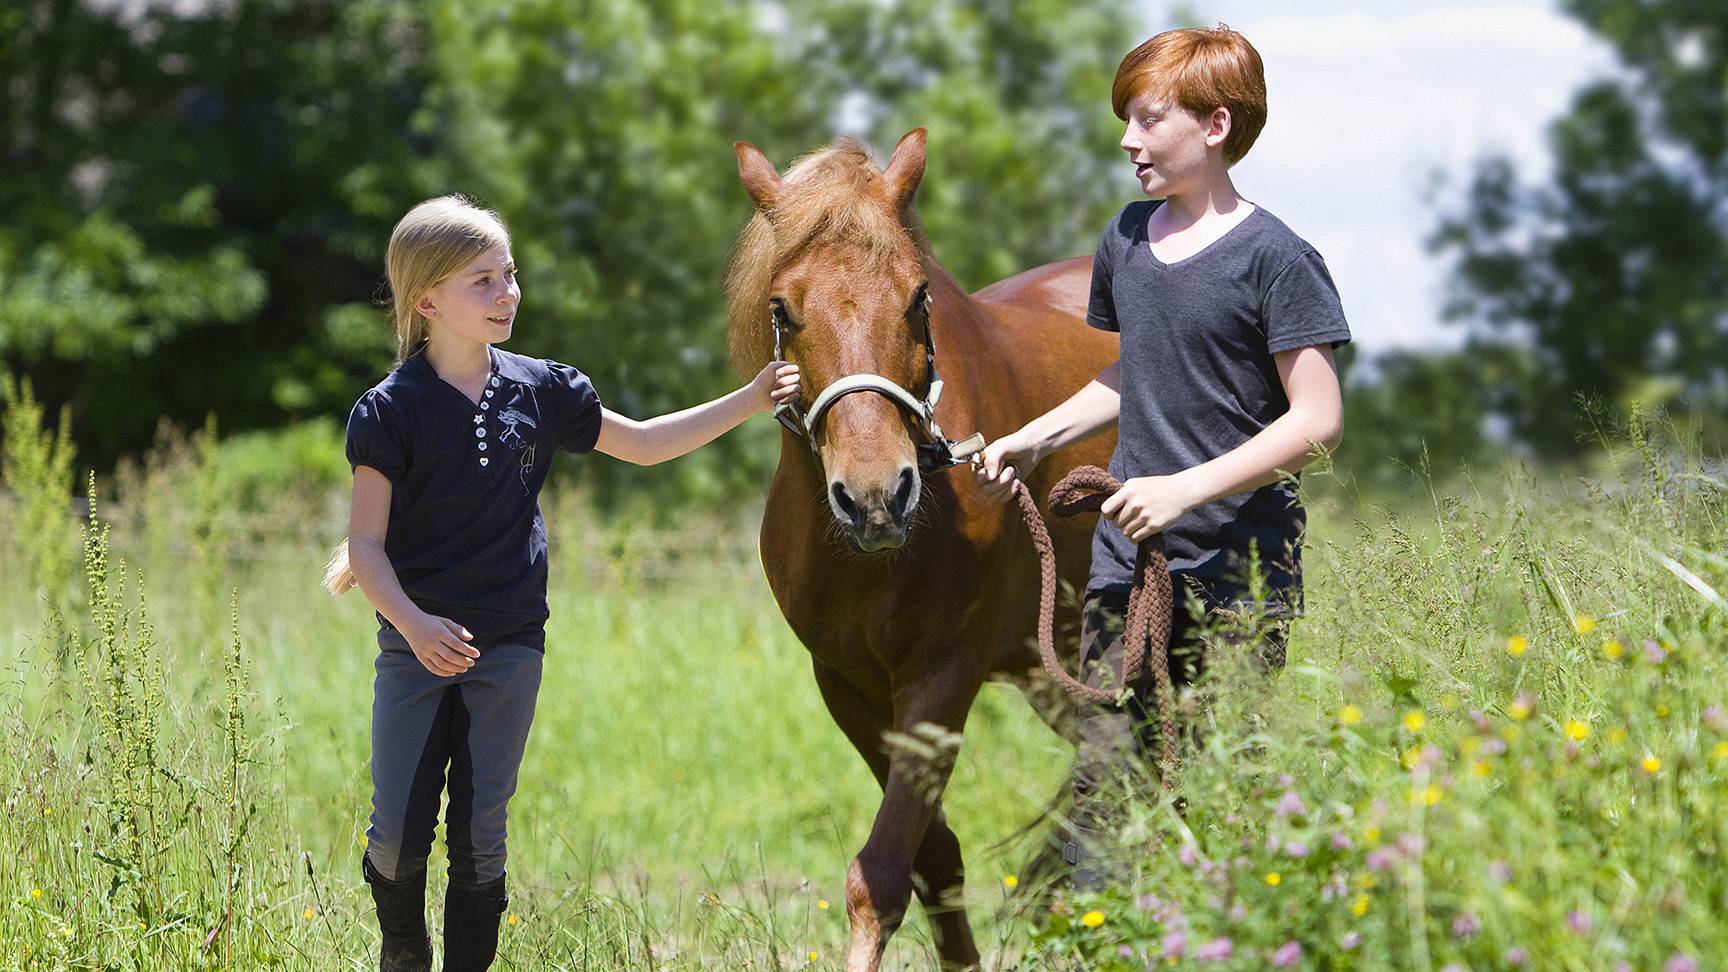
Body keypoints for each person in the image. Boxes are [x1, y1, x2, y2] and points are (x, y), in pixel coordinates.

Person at [321, 195, 800, 970]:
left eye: (510, 275)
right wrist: (413, 624)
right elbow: (365, 549)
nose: (507, 292)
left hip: (510, 644)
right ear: (428, 301)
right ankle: (402, 945)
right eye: (483, 281)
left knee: (482, 834)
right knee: (397, 837)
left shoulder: (544, 391)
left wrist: (750, 399)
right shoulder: (389, 411)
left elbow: (643, 445)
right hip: (415, 651)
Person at [973, 25, 1351, 883]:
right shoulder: (1129, 240)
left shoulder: (1277, 259)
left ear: (1215, 126)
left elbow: (1318, 419)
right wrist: (1033, 437)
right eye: (1126, 121)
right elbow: (1129, 374)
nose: (1127, 140)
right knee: (1106, 789)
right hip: (1126, 569)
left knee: (1222, 788)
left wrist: (1184, 490)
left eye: (1147, 120)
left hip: (1237, 571)